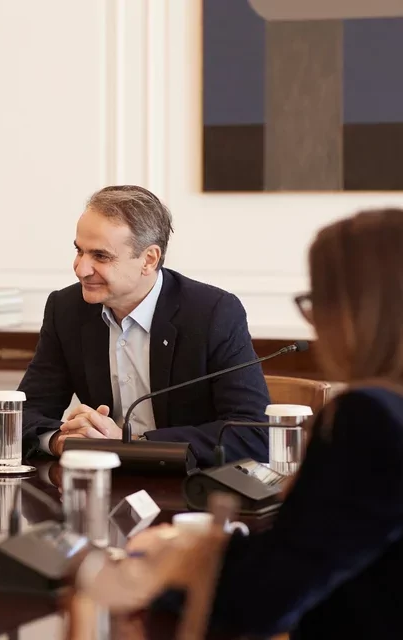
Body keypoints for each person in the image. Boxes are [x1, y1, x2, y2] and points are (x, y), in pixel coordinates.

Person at [126, 207, 403, 637]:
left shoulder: (370, 420)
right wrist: (211, 550)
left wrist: (165, 571)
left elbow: (262, 600)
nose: (313, 324)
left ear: (361, 312)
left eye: (317, 302)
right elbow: (309, 551)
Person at [17, 185, 270, 465]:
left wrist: (133, 444)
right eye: (79, 251)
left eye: (100, 256)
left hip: (188, 483)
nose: (81, 269)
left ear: (149, 259)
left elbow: (253, 434)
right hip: (102, 480)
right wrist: (60, 440)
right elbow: (20, 414)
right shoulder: (66, 309)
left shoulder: (213, 313)